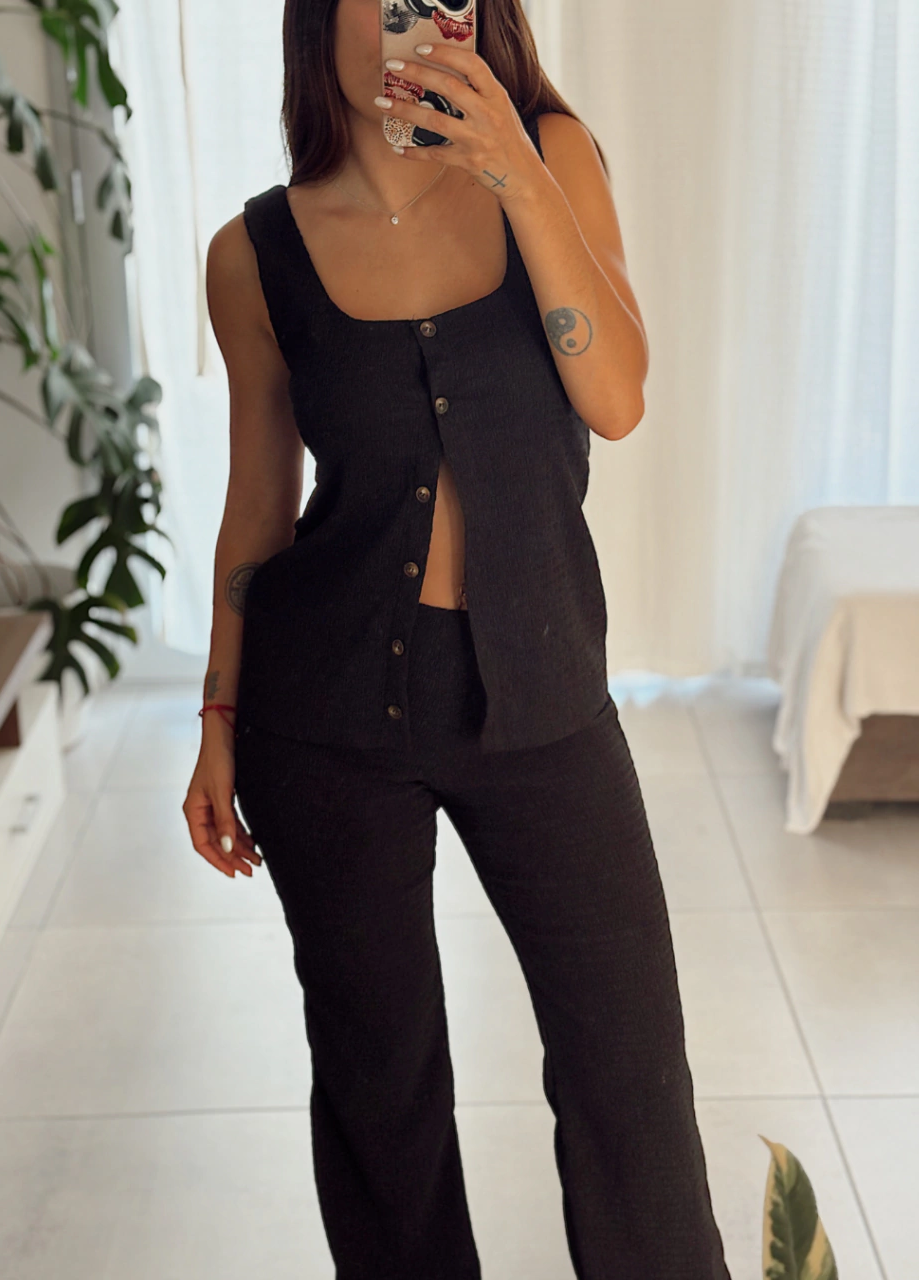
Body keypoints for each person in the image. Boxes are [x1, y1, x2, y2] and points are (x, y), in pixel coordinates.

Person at [183, 1, 732, 1276]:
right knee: (380, 1094)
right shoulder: (251, 255)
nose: (420, 20)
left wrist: (517, 175)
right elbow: (258, 502)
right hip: (323, 719)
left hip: (542, 689)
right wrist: (215, 717)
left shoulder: (551, 156)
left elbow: (618, 398)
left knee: (630, 1078)